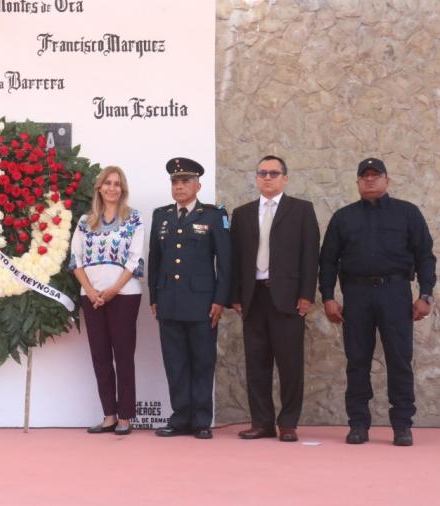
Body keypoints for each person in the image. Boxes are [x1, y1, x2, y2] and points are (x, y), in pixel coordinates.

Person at [319, 158, 435, 446]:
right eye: (364, 176)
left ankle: (402, 426)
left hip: (395, 293)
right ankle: (358, 424)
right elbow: (328, 260)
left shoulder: (407, 213)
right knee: (357, 361)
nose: (370, 180)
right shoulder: (343, 217)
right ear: (358, 182)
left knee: (399, 360)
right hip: (356, 295)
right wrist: (328, 297)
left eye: (375, 175)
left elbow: (425, 256)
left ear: (387, 180)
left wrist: (426, 294)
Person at [229, 156, 320, 442]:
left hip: (288, 298)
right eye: (262, 173)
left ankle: (288, 422)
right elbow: (235, 258)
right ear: (256, 178)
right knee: (256, 364)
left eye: (274, 173)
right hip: (253, 297)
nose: (267, 178)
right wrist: (235, 295)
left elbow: (310, 256)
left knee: (290, 364)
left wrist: (307, 294)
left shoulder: (301, 210)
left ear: (285, 178)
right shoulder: (242, 213)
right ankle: (262, 422)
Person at [147, 157, 230, 439]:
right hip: (168, 302)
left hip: (202, 304)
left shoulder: (213, 215)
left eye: (185, 181)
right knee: (175, 364)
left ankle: (201, 420)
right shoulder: (162, 215)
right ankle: (180, 417)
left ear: (198, 185)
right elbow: (155, 261)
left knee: (203, 362)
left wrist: (220, 299)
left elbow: (225, 263)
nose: (179, 186)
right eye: (175, 181)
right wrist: (154, 298)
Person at [69, 166, 145, 436]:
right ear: (99, 188)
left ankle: (125, 417)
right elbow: (75, 260)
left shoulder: (134, 219)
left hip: (124, 295)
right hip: (91, 298)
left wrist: (113, 290)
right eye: (107, 183)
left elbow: (135, 259)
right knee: (100, 357)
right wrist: (90, 291)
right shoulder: (84, 222)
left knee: (123, 356)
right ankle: (109, 416)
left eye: (117, 184)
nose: (112, 188)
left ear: (122, 189)